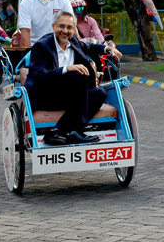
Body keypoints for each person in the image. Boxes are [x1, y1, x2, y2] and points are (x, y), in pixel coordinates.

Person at [25, 11, 123, 145]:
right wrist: (66, 69)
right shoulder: (42, 46)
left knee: (99, 93)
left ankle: (59, 131)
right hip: (47, 96)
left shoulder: (74, 41)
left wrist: (107, 49)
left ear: (74, 29)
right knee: (79, 75)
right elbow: (39, 75)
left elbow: (88, 46)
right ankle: (76, 130)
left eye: (69, 27)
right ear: (53, 26)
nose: (65, 31)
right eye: (61, 26)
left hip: (71, 97)